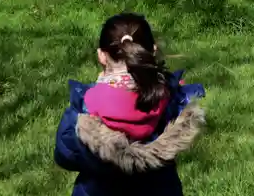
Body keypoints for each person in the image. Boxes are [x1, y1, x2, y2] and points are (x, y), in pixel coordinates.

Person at [54, 12, 206, 196]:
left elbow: (64, 156)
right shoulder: (171, 99)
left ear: (102, 56)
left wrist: (96, 91)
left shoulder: (85, 106)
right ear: (153, 51)